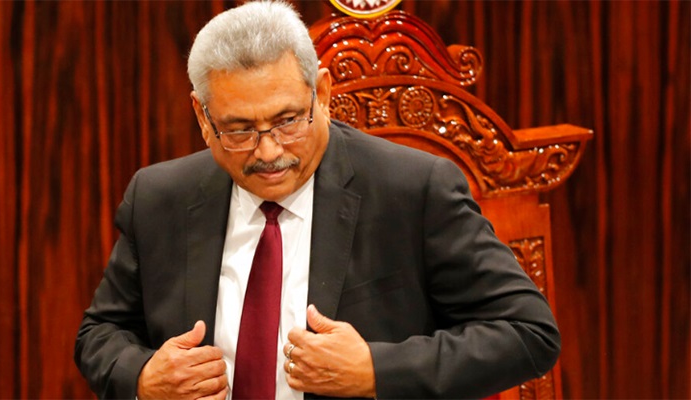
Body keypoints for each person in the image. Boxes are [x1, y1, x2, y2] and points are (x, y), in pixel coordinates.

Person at [74, 1, 561, 399]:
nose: (269, 152)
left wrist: (376, 370)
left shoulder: (414, 190)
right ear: (203, 117)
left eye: (288, 121)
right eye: (240, 130)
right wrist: (143, 377)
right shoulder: (159, 198)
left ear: (322, 94)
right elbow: (99, 334)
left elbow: (528, 332)